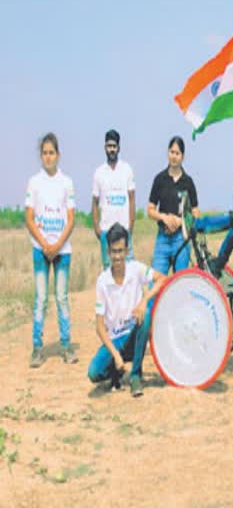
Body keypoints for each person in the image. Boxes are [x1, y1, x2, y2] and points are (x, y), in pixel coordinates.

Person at [87, 224, 167, 396]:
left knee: (145, 315)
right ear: (108, 252)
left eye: (121, 251)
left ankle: (136, 375)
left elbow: (162, 279)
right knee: (93, 373)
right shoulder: (102, 281)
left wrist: (144, 300)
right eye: (114, 252)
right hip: (115, 340)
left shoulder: (136, 269)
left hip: (134, 334)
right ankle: (116, 371)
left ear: (127, 250)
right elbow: (100, 327)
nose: (117, 257)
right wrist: (115, 355)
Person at [25, 132, 78, 367]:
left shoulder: (66, 183)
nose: (48, 157)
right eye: (44, 153)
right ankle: (37, 348)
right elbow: (29, 217)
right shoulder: (34, 182)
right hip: (40, 249)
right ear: (41, 155)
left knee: (62, 298)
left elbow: (71, 218)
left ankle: (66, 346)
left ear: (58, 154)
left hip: (62, 250)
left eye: (52, 152)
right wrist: (45, 244)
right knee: (41, 299)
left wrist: (57, 245)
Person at [147, 136, 200, 274]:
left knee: (180, 283)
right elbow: (150, 210)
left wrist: (180, 221)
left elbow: (195, 213)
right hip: (162, 239)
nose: (174, 156)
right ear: (167, 153)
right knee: (156, 283)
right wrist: (163, 217)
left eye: (177, 153)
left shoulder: (188, 182)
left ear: (183, 156)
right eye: (172, 152)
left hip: (181, 240)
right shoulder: (160, 179)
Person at [92, 129, 136, 269]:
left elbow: (132, 198)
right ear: (105, 147)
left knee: (128, 270)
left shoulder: (127, 169)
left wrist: (131, 225)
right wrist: (97, 228)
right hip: (106, 229)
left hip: (124, 229)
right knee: (108, 271)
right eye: (109, 146)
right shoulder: (99, 172)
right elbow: (94, 202)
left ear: (119, 148)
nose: (111, 149)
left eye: (114, 146)